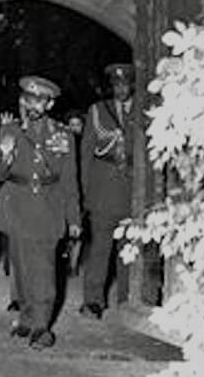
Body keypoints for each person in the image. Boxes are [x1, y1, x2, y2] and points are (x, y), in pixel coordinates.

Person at [0, 75, 82, 350]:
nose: (33, 105)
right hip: (16, 208)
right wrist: (4, 155)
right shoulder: (9, 131)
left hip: (47, 210)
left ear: (49, 104)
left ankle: (42, 327)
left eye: (39, 101)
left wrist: (74, 218)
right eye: (29, 99)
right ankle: (27, 318)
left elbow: (69, 180)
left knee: (43, 269)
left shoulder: (63, 136)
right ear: (22, 100)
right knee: (22, 268)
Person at [79, 63, 135, 319]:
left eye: (125, 84)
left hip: (133, 192)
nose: (120, 88)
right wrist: (84, 193)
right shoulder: (97, 111)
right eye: (116, 84)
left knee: (129, 250)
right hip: (102, 190)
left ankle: (129, 299)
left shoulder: (146, 112)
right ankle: (93, 301)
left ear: (133, 85)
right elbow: (86, 155)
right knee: (100, 248)